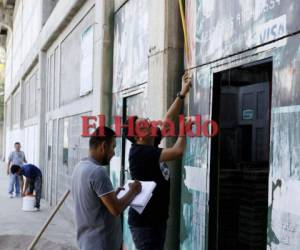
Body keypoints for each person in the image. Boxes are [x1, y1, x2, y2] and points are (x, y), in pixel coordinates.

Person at [126, 72, 192, 250]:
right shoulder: (140, 153)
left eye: (145, 121)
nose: (148, 124)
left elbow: (167, 121)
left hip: (156, 220)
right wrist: (184, 129)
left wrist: (182, 93)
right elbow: (178, 151)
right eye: (143, 126)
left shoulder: (148, 143)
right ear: (137, 137)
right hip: (145, 224)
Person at [71, 126, 142, 250]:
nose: (114, 153)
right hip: (101, 244)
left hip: (86, 243)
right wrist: (133, 190)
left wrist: (113, 195)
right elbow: (116, 209)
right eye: (113, 147)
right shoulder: (98, 171)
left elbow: (93, 201)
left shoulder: (79, 167)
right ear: (103, 146)